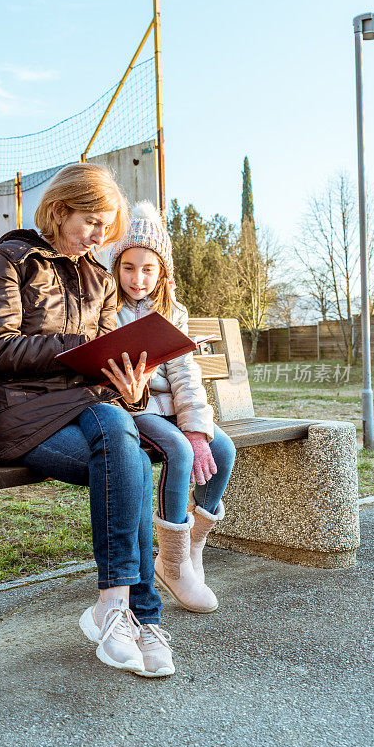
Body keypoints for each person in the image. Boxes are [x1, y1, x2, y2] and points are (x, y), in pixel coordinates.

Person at [0, 165, 174, 678]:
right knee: (125, 452)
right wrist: (80, 348)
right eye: (91, 221)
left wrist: (131, 386)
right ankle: (138, 613)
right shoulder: (10, 259)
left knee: (121, 437)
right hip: (20, 412)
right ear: (59, 211)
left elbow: (106, 363)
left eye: (108, 224)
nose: (102, 236)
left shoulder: (101, 280)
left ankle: (121, 610)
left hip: (85, 408)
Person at [107, 201, 236, 613]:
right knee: (177, 451)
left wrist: (197, 430)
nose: (138, 278)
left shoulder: (171, 313)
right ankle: (173, 563)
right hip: (132, 409)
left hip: (171, 409)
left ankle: (192, 545)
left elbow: (185, 377)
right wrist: (136, 395)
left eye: (148, 269)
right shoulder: (109, 311)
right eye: (128, 267)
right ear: (117, 266)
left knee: (222, 449)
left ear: (162, 271)